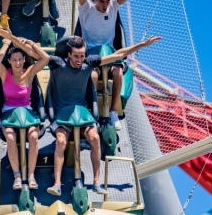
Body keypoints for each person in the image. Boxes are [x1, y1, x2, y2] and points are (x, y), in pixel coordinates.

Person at [46, 34, 162, 197]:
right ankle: (57, 183)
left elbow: (118, 55)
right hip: (61, 112)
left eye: (82, 56)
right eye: (76, 56)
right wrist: (17, 41)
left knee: (95, 138)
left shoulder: (89, 63)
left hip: (82, 112)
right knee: (61, 141)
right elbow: (37, 53)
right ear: (69, 54)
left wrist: (142, 44)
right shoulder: (58, 64)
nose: (79, 60)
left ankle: (96, 182)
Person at [75, 0, 142, 130]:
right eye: (101, 1)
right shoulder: (86, 7)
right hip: (92, 54)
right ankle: (91, 110)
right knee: (93, 75)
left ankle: (113, 111)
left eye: (107, 1)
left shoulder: (113, 5)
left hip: (110, 53)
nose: (105, 5)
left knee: (118, 73)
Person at [0, 28, 49, 190]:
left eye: (20, 59)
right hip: (9, 111)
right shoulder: (5, 74)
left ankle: (31, 176)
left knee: (34, 136)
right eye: (14, 60)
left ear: (24, 60)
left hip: (27, 110)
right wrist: (7, 43)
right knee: (11, 138)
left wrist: (30, 43)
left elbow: (45, 58)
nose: (17, 63)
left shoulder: (30, 73)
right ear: (10, 61)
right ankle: (17, 176)